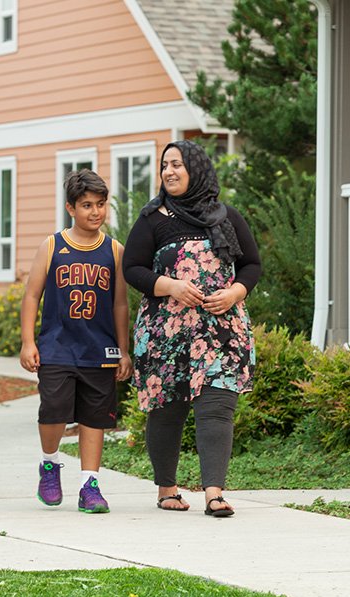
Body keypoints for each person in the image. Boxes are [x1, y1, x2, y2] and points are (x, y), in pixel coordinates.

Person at [122, 140, 261, 518]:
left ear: (196, 169)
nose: (169, 171)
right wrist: (171, 286)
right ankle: (167, 487)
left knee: (217, 406)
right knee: (167, 408)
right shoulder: (153, 218)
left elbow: (251, 264)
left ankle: (214, 493)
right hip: (166, 332)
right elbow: (132, 268)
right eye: (165, 165)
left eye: (177, 164)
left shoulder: (226, 216)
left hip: (221, 330)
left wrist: (234, 292)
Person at [20, 169, 132, 514]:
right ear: (71, 207)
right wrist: (27, 342)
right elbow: (31, 295)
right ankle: (50, 464)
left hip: (99, 349)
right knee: (53, 409)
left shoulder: (114, 250)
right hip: (56, 346)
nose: (95, 212)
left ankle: (89, 485)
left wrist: (123, 350)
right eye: (87, 205)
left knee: (94, 417)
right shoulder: (53, 245)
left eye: (101, 204)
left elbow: (120, 303)